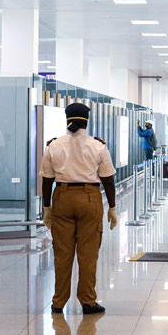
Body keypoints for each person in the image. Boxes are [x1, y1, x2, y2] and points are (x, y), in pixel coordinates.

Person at [40, 102, 117, 315]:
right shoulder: (98, 146)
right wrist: (112, 207)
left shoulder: (54, 145)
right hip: (89, 198)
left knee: (62, 253)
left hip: (62, 198)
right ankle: (87, 301)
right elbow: (108, 180)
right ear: (87, 120)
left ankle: (58, 302)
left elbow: (46, 181)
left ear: (67, 119)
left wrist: (47, 207)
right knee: (88, 254)